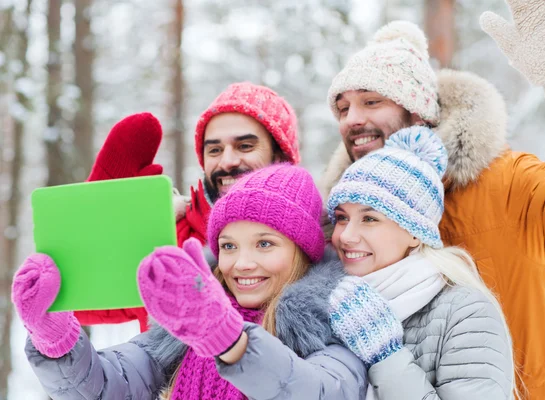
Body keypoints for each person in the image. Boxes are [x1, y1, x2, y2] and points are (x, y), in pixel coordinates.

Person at [322, 1, 545, 397]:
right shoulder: (339, 222)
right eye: (343, 107)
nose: (351, 119)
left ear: (418, 114)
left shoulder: (505, 183)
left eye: (371, 101)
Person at [12, 164, 367, 399]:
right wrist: (54, 336)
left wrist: (228, 338)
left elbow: (319, 391)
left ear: (302, 251)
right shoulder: (186, 324)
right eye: (228, 246)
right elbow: (109, 386)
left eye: (264, 244)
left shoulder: (335, 324)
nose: (241, 263)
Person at [76, 82, 301, 332]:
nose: (227, 161)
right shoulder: (169, 240)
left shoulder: (313, 243)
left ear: (280, 156)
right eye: (214, 149)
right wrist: (101, 213)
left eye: (245, 146)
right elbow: (75, 302)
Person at [325, 126, 515, 399]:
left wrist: (386, 357)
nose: (346, 236)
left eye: (369, 219)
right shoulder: (327, 299)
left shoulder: (466, 312)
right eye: (343, 217)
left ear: (415, 232)